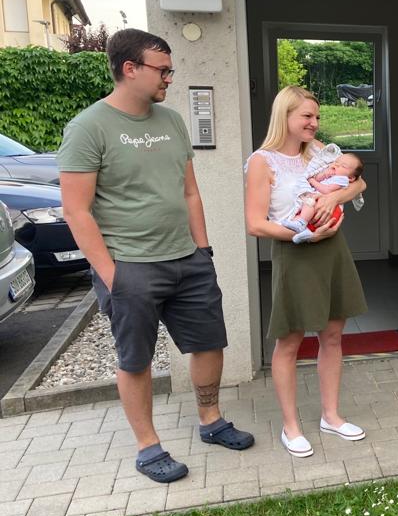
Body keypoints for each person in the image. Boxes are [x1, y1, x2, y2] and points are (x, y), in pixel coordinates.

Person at [59, 28, 254, 484]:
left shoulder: (171, 121)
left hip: (187, 259)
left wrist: (203, 251)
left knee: (209, 343)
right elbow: (76, 210)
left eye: (170, 70)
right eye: (162, 70)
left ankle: (211, 420)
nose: (169, 77)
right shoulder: (88, 127)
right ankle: (148, 447)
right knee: (136, 359)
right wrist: (113, 276)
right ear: (130, 69)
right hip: (130, 266)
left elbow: (190, 192)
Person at [244, 85, 368, 458]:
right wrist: (304, 235)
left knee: (333, 334)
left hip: (333, 250)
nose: (315, 123)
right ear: (285, 116)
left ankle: (331, 416)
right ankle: (291, 427)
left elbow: (359, 182)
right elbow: (255, 224)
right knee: (290, 340)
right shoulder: (262, 161)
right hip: (295, 252)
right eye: (307, 116)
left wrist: (334, 197)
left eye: (317, 116)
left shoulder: (318, 151)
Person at [282, 150, 365, 244]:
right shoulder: (331, 174)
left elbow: (327, 190)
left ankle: (301, 223)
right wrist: (325, 174)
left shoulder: (342, 179)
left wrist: (312, 181)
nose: (336, 165)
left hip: (331, 211)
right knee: (299, 213)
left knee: (309, 202)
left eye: (343, 166)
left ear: (351, 178)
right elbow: (317, 178)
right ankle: (306, 233)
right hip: (322, 207)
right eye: (336, 162)